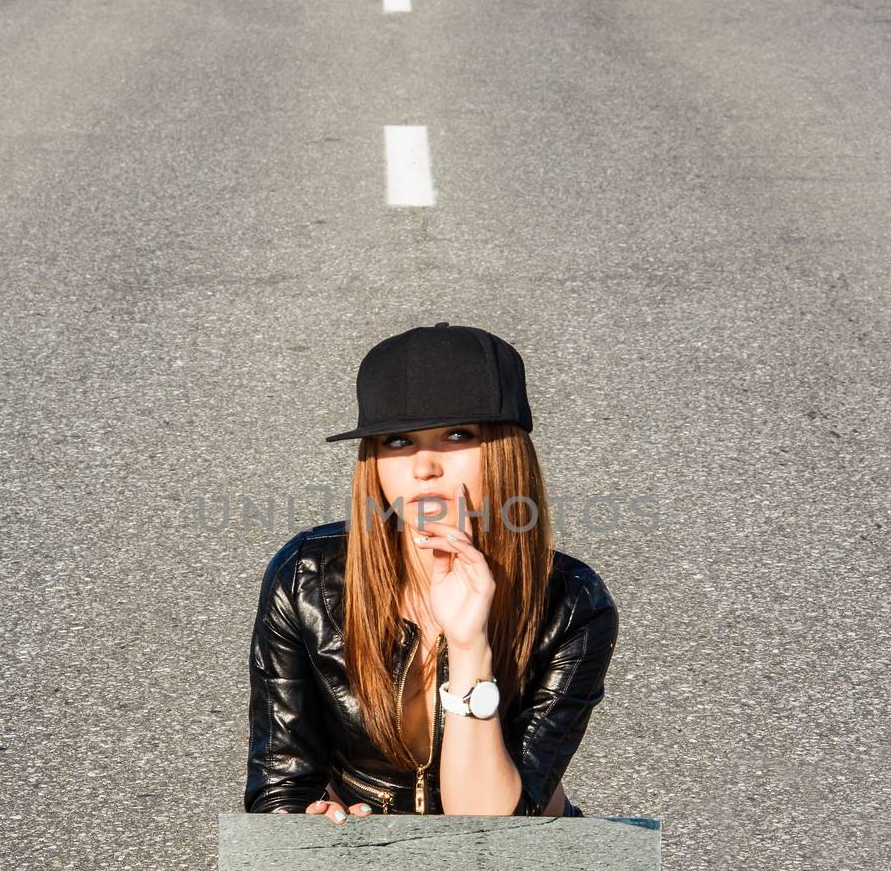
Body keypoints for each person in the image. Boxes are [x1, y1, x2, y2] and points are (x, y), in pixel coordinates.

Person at [243, 322, 618, 824]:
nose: (423, 467)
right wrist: (310, 822)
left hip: (517, 843)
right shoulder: (306, 576)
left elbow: (491, 828)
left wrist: (469, 646)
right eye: (397, 441)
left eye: (458, 435)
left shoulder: (573, 602)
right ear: (372, 461)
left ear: (507, 452)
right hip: (358, 840)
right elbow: (278, 785)